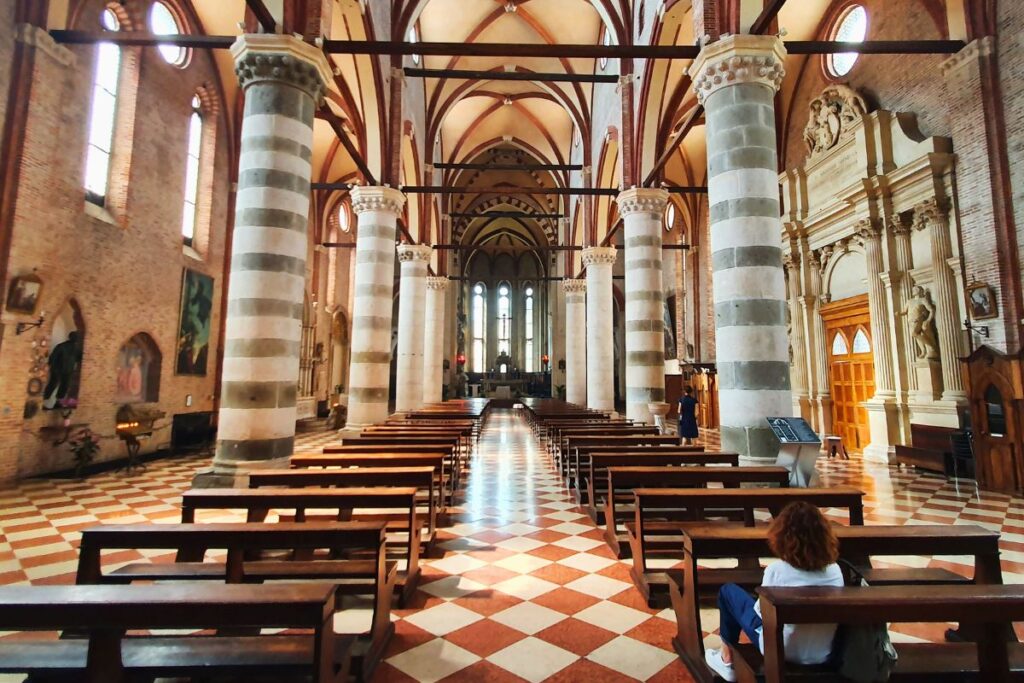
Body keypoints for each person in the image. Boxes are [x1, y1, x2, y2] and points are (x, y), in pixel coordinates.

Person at [704, 501, 844, 682]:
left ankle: (726, 660)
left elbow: (761, 614)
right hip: (822, 652)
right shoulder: (835, 571)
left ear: (782, 536)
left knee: (728, 592)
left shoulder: (777, 570)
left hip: (779, 650)